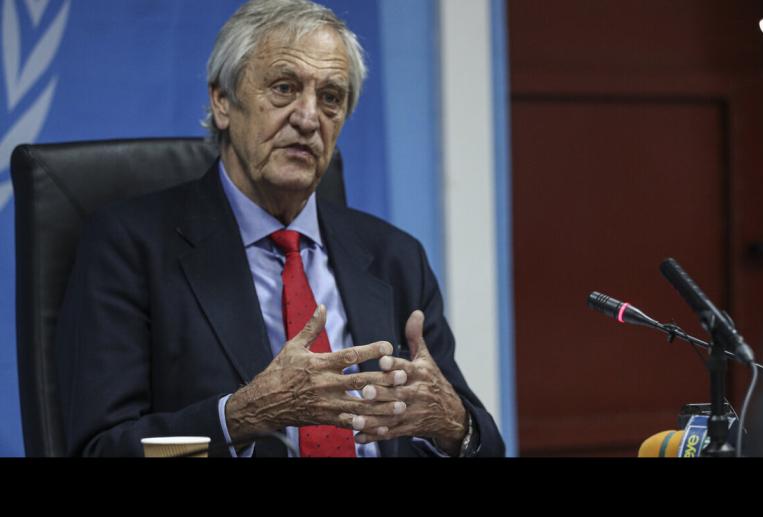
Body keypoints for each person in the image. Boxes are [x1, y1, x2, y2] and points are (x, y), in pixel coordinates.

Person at [58, 0, 504, 457]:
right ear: (222, 101)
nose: (308, 118)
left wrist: (453, 423)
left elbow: (484, 445)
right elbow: (101, 449)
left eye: (330, 98)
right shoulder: (130, 248)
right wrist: (243, 416)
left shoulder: (395, 257)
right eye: (284, 88)